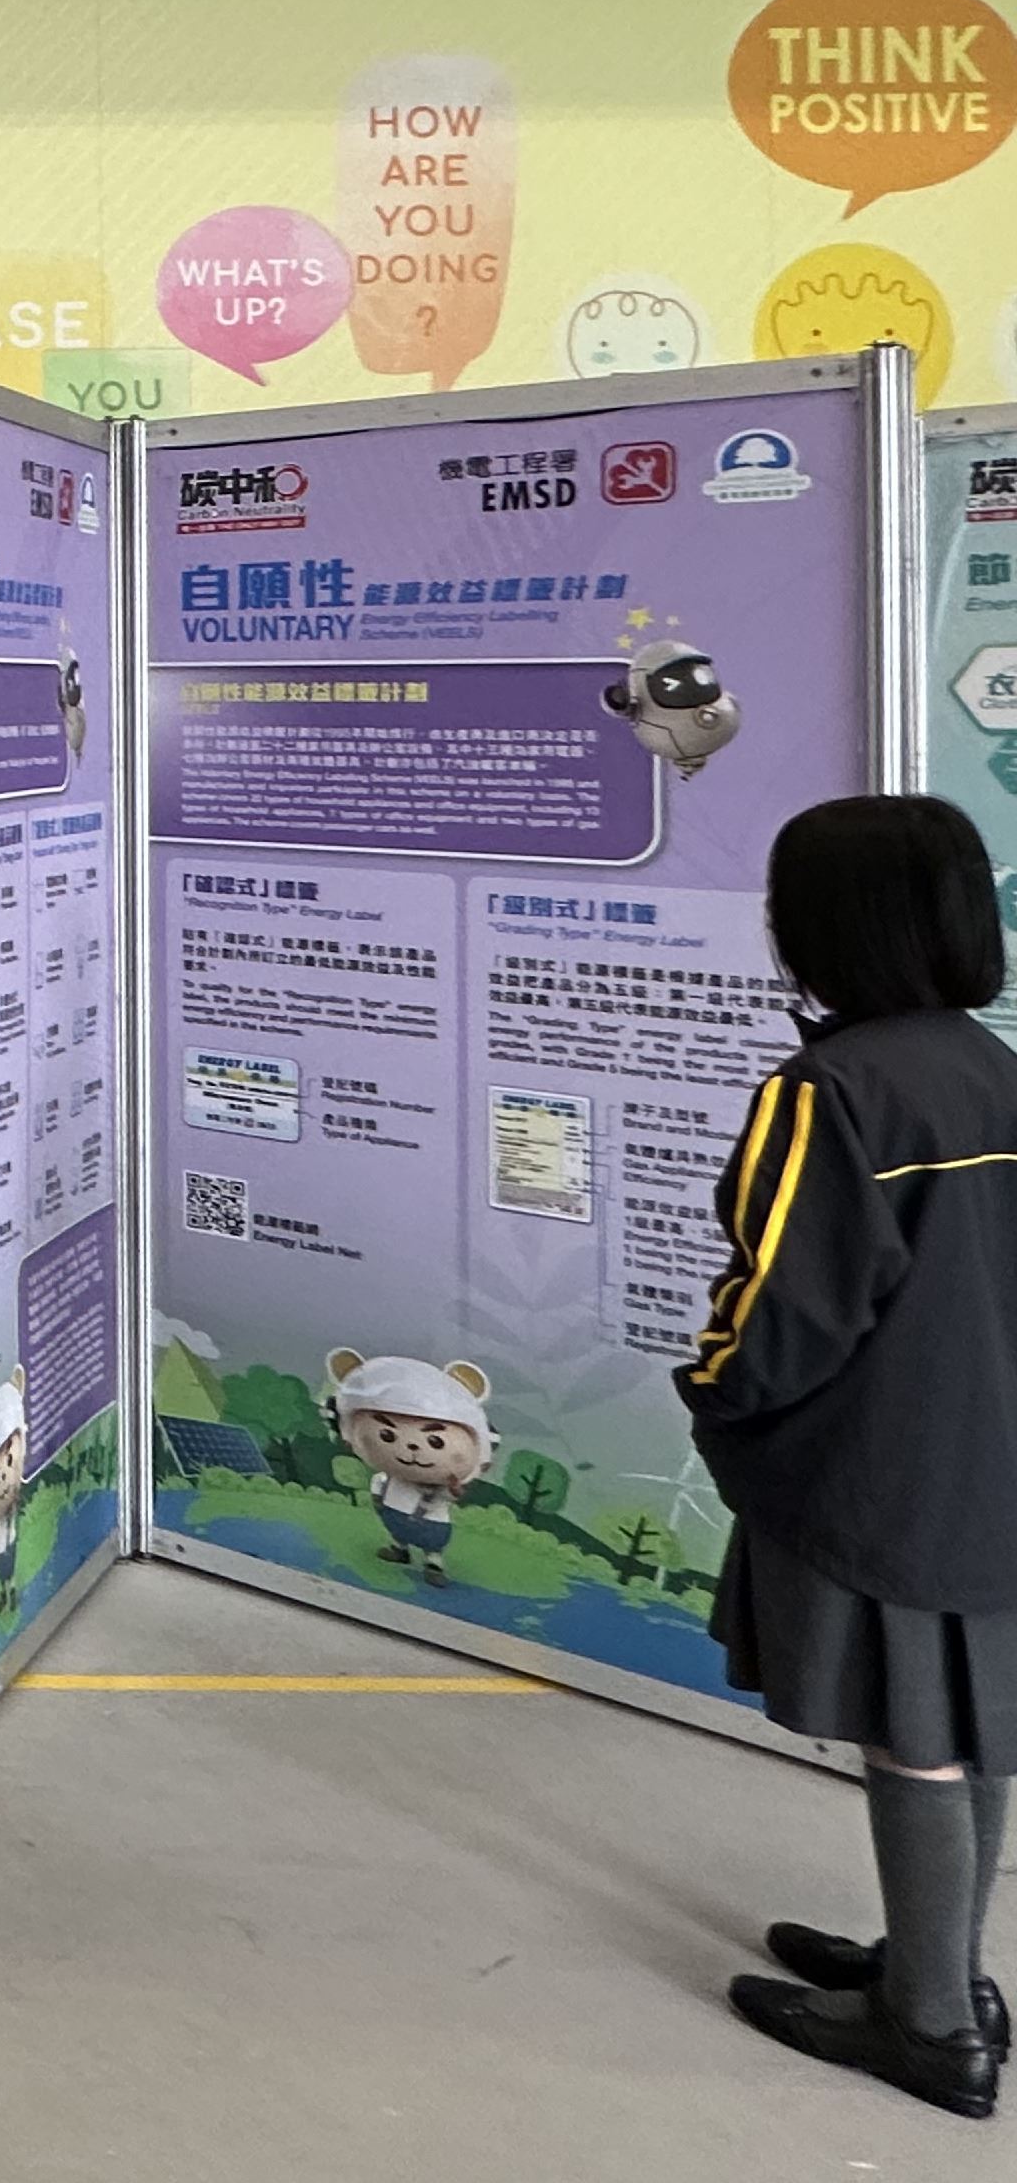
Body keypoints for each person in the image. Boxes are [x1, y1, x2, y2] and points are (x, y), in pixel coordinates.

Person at [686, 794, 1017, 2120]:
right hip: (993, 1460)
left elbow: (782, 1311)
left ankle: (930, 2027)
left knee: (910, 1739)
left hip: (881, 1469)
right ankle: (949, 1968)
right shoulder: (994, 1066)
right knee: (969, 1728)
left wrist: (712, 1394)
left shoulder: (827, 1093)